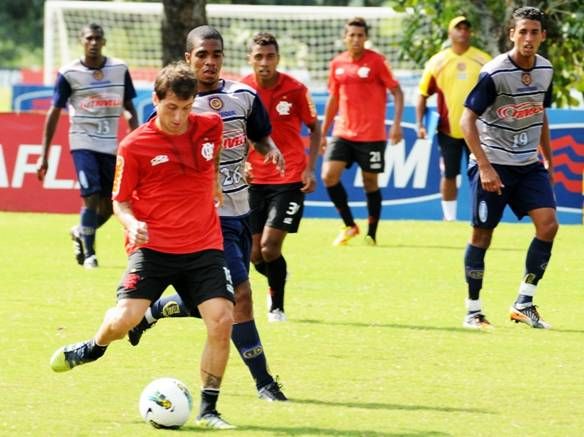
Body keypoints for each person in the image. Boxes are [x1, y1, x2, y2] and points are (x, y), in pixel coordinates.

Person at [50, 61, 237, 429]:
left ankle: (209, 409)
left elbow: (210, 157)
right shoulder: (134, 145)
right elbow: (119, 201)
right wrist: (133, 223)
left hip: (203, 245)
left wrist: (213, 182)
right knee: (124, 320)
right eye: (171, 108)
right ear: (156, 99)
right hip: (152, 250)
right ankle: (93, 348)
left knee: (222, 320)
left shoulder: (210, 126)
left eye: (186, 108)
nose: (180, 117)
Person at [127, 26, 289, 401]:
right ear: (189, 59)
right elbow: (148, 153)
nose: (210, 62)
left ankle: (158, 310)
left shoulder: (243, 96)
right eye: (202, 55)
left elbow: (260, 134)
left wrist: (270, 150)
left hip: (238, 211)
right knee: (240, 296)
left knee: (227, 300)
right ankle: (264, 383)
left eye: (216, 55)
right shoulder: (174, 104)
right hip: (197, 218)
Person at [460, 6, 557, 330]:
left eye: (534, 32)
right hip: (494, 163)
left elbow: (540, 111)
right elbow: (466, 120)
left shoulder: (546, 69)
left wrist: (548, 158)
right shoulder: (494, 73)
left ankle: (523, 302)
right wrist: (485, 167)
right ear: (511, 34)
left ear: (543, 36)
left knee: (548, 226)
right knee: (482, 236)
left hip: (528, 164)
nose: (528, 38)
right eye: (523, 32)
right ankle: (473, 310)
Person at [36, 23, 139, 269]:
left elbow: (130, 107)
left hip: (111, 146)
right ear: (81, 41)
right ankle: (90, 255)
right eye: (89, 38)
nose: (93, 42)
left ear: (104, 42)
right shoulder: (68, 73)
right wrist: (44, 155)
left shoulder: (119, 69)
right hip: (82, 141)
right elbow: (53, 112)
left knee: (111, 206)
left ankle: (79, 231)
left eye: (98, 38)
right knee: (90, 194)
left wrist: (135, 137)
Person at [240, 32, 321, 322]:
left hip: (288, 180)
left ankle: (277, 306)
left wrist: (309, 168)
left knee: (269, 247)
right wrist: (240, 164)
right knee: (254, 254)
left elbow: (315, 127)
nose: (264, 62)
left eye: (270, 56)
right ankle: (279, 274)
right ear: (250, 59)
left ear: (278, 58)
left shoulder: (296, 89)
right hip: (252, 181)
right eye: (258, 57)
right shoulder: (241, 91)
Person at [320, 17, 404, 246]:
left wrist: (396, 124)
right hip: (343, 132)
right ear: (345, 37)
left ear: (366, 38)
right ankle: (349, 225)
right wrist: (323, 132)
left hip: (372, 136)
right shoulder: (337, 63)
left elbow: (397, 92)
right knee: (328, 175)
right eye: (352, 35)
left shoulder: (377, 62)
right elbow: (333, 99)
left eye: (360, 35)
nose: (356, 39)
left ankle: (372, 234)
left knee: (370, 182)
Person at [416, 16, 491, 221]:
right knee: (449, 174)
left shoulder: (483, 60)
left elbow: (495, 93)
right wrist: (420, 124)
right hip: (448, 129)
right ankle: (449, 218)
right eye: (458, 28)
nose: (463, 32)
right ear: (450, 33)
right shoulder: (438, 61)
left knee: (480, 174)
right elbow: (423, 94)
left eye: (467, 28)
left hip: (478, 130)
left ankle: (480, 216)